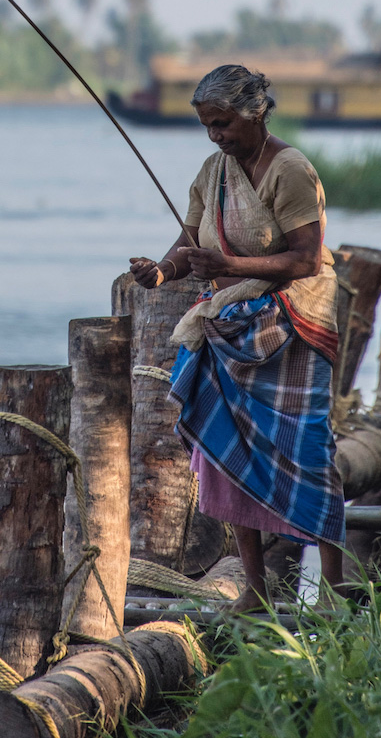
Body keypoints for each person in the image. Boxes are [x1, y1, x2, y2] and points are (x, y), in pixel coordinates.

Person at [130, 64, 346, 613]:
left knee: (308, 449)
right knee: (228, 451)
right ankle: (254, 588)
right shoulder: (213, 170)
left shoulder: (291, 170)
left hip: (291, 324)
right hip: (230, 326)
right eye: (207, 126)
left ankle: (336, 589)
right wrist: (162, 272)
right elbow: (190, 237)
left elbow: (303, 258)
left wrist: (226, 263)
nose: (216, 136)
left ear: (254, 113)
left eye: (223, 123)